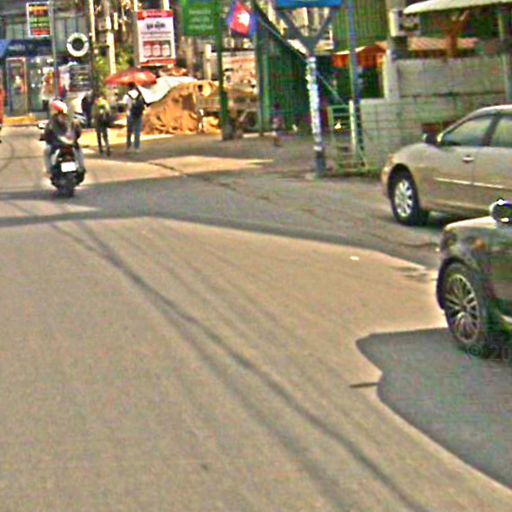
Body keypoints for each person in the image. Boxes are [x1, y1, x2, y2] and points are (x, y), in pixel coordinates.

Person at [43, 99, 85, 180]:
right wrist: (74, 140)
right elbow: (78, 132)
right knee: (79, 151)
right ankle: (81, 167)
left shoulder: (52, 121)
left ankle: (49, 171)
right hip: (71, 144)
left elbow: (47, 134)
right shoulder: (72, 120)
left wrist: (48, 139)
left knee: (46, 152)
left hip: (56, 145)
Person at [122, 82, 146, 153]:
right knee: (137, 131)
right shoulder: (139, 94)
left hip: (130, 114)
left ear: (128, 87)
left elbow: (124, 105)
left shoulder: (127, 95)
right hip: (138, 114)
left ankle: (128, 147)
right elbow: (143, 104)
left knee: (129, 131)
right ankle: (137, 148)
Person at [92, 92, 111, 156]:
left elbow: (93, 113)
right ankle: (107, 146)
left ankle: (101, 149)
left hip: (98, 121)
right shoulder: (105, 103)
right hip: (104, 121)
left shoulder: (95, 104)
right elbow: (108, 111)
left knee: (99, 135)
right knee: (105, 135)